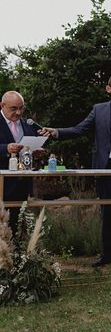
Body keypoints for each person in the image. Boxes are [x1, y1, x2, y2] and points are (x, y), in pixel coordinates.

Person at [39, 74, 111, 267]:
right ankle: (106, 255)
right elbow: (80, 129)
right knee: (106, 212)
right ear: (108, 89)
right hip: (105, 168)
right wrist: (56, 132)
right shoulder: (98, 110)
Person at [0, 91, 40, 235]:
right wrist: (6, 148)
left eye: (21, 108)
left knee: (17, 224)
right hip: (2, 183)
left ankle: (16, 254)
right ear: (2, 105)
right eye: (13, 108)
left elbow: (27, 146)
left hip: (22, 182)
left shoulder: (26, 123)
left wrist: (35, 150)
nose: (18, 112)